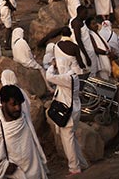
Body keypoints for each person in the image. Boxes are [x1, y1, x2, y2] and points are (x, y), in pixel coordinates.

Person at [0, 84, 47, 179]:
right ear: (3, 103)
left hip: (34, 173)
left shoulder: (23, 118)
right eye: (13, 104)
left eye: (19, 104)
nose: (17, 108)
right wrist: (3, 167)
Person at [45, 37, 88, 175]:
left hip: (67, 112)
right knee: (72, 139)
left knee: (68, 141)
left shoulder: (67, 78)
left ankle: (74, 168)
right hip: (74, 109)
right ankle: (82, 163)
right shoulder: (73, 75)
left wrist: (52, 66)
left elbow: (49, 77)